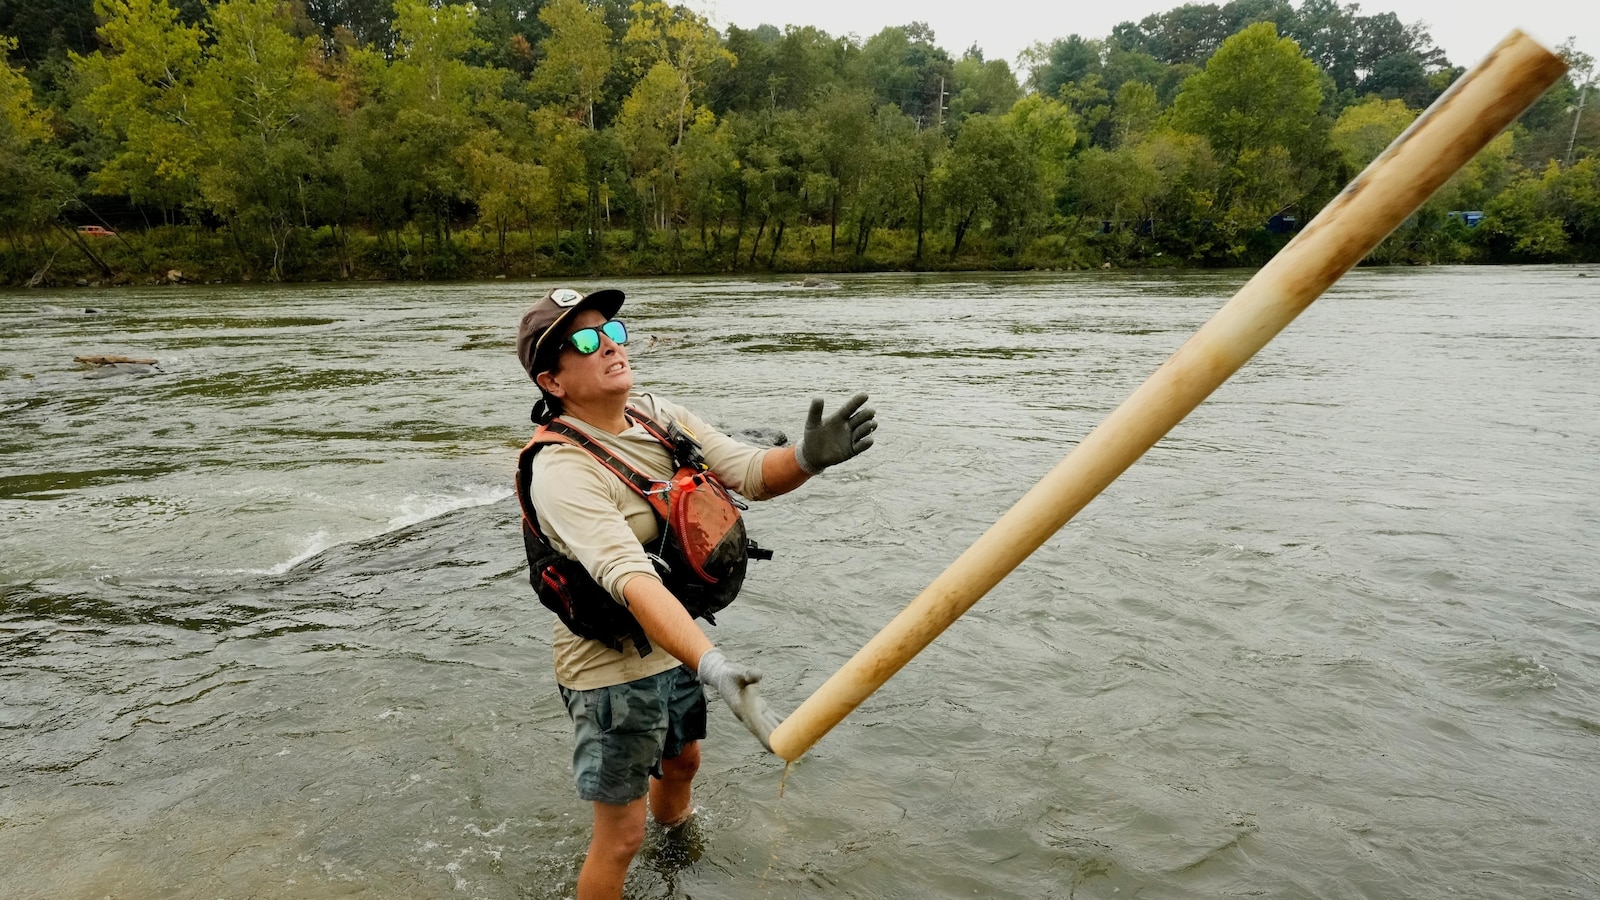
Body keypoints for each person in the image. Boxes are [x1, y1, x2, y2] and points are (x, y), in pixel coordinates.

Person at [514, 286, 876, 899]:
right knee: (620, 837)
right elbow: (631, 580)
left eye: (613, 331)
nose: (608, 345)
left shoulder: (658, 414)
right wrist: (712, 664)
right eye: (584, 341)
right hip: (609, 668)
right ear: (553, 381)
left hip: (675, 641)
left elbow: (751, 473)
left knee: (683, 763)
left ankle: (679, 864)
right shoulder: (560, 469)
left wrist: (808, 459)